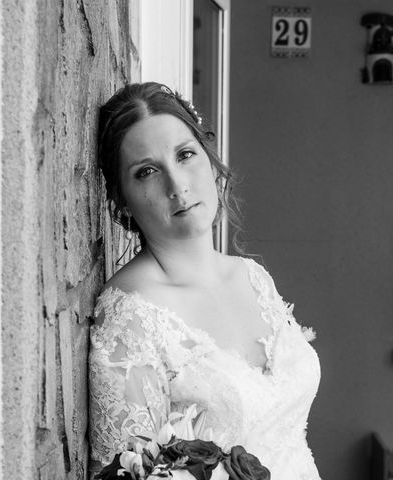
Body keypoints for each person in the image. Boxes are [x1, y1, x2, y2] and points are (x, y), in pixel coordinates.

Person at [88, 82, 321, 479]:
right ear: (120, 197)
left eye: (185, 155)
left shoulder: (252, 277)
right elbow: (125, 471)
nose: (177, 186)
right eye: (146, 171)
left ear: (210, 160)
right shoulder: (132, 318)